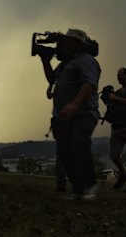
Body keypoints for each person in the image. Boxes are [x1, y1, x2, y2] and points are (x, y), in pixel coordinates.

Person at [40, 29, 101, 201]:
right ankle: (78, 190)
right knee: (65, 150)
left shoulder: (87, 61)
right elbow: (52, 79)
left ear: (76, 44)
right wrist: (45, 61)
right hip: (64, 116)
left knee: (79, 143)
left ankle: (90, 185)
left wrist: (74, 105)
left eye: (66, 42)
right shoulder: (66, 63)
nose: (62, 45)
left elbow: (89, 84)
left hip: (84, 113)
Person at [47, 83, 67, 192]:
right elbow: (49, 95)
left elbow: (49, 95)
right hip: (59, 120)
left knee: (62, 152)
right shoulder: (60, 85)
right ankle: (61, 182)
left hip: (63, 120)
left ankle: (61, 182)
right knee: (62, 152)